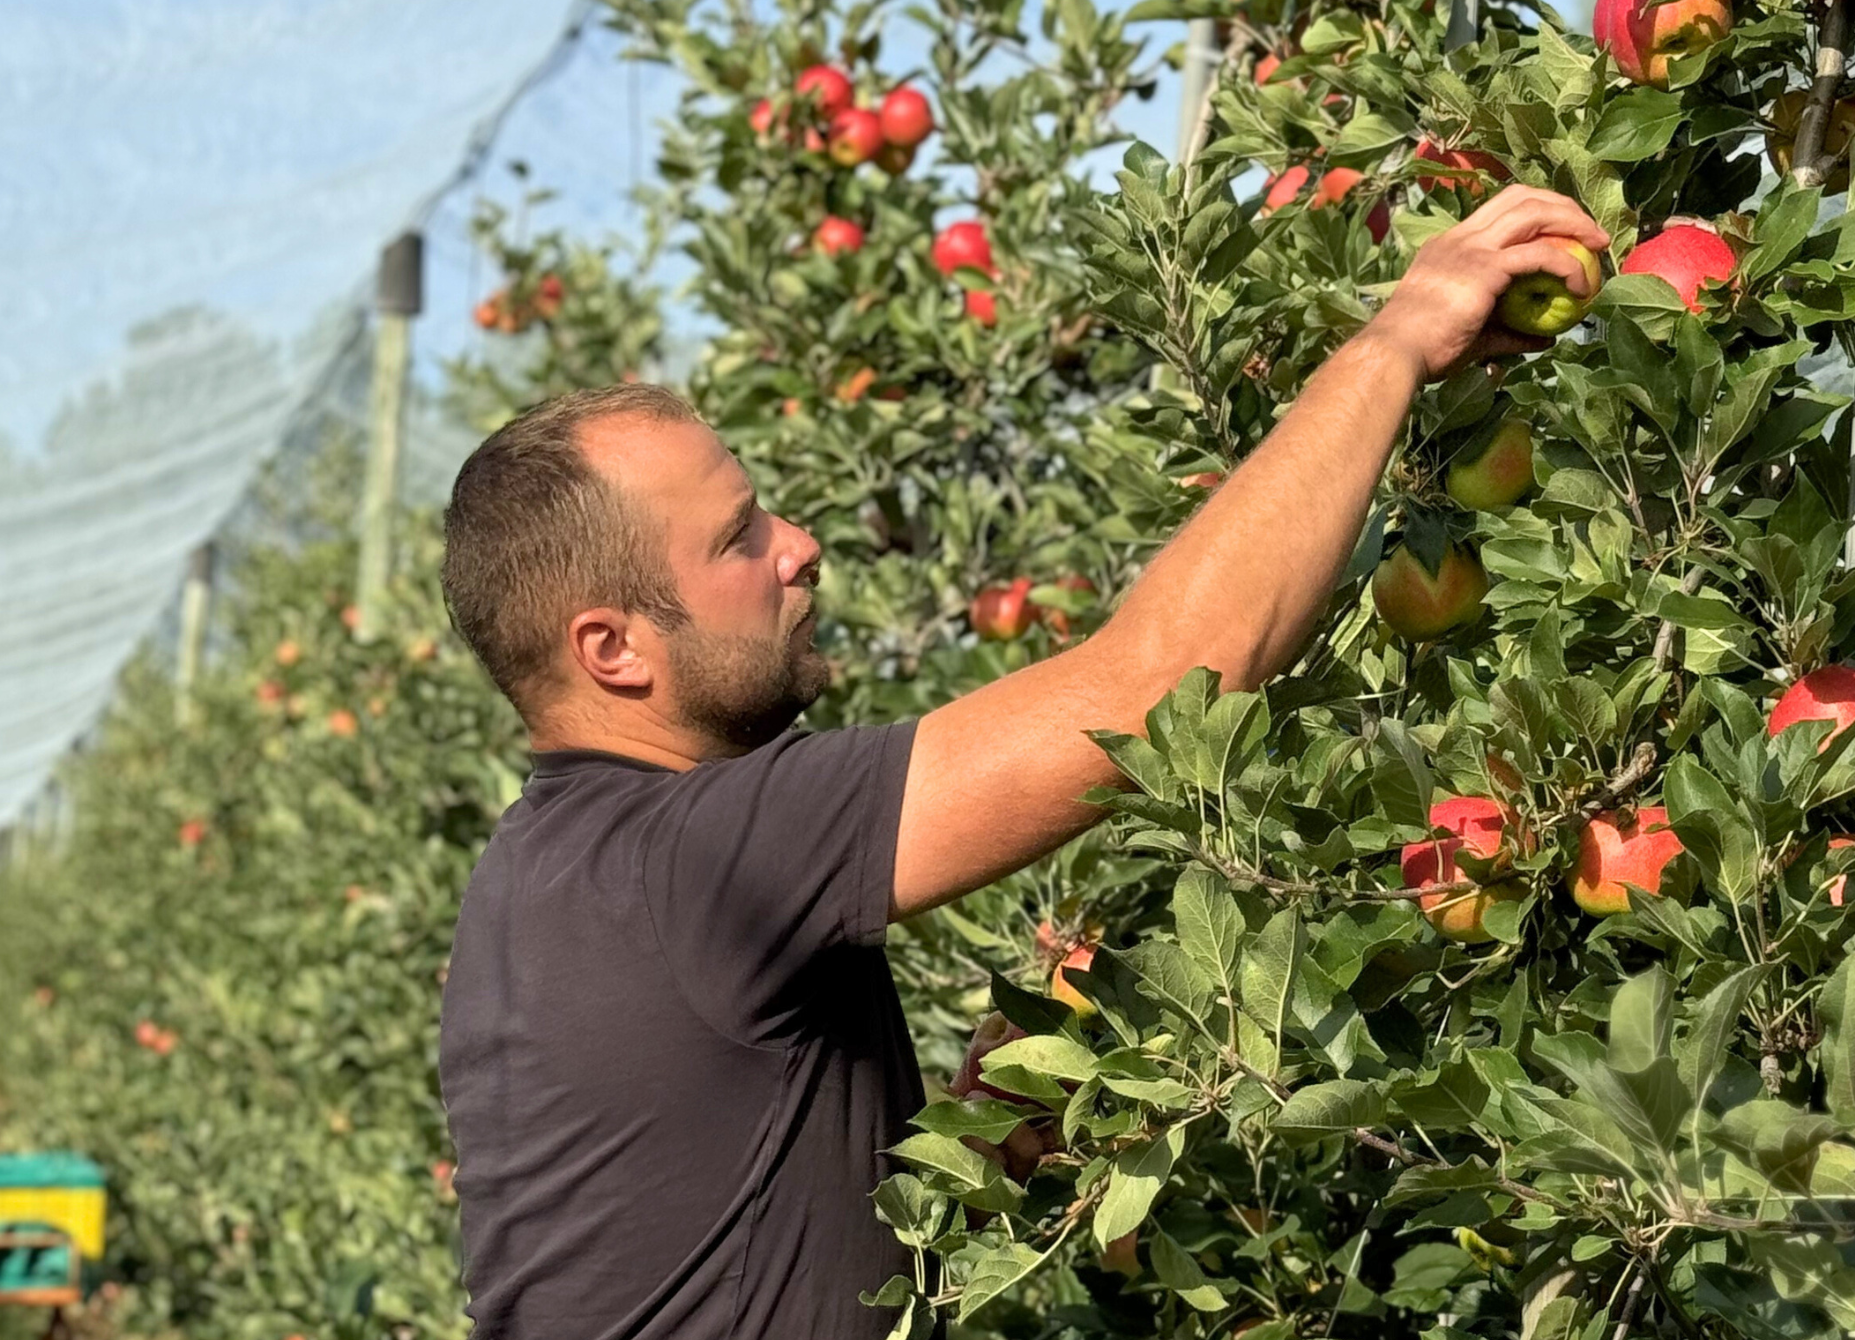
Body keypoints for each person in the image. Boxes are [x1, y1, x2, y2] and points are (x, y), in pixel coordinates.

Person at [433, 181, 1607, 1339]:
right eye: (739, 538)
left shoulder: (544, 881)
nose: (800, 545)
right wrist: (1400, 337)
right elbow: (1155, 690)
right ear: (613, 650)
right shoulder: (685, 857)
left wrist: (955, 1139)